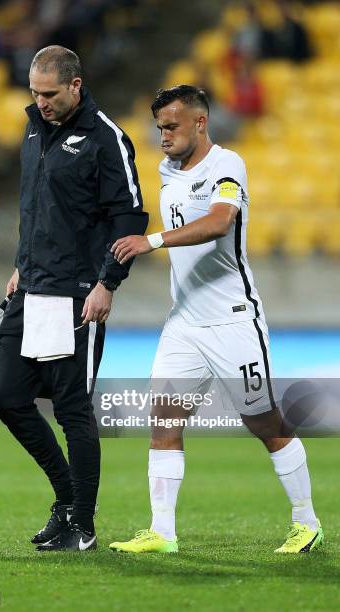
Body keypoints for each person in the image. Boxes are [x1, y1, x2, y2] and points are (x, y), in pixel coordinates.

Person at [109, 85, 323, 554]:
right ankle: (162, 533)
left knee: (265, 423)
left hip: (232, 320)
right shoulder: (168, 171)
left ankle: (306, 522)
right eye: (159, 127)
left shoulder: (227, 166)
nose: (163, 136)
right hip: (183, 322)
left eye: (172, 126)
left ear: (200, 123)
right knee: (163, 422)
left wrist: (153, 241)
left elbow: (221, 221)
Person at [0, 45, 148, 552]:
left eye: (50, 94)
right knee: (8, 398)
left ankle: (83, 523)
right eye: (34, 93)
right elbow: (37, 205)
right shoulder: (35, 125)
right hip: (32, 285)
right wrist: (21, 264)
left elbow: (128, 219)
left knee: (72, 409)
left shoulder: (107, 138)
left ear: (76, 85)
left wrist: (108, 283)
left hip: (78, 293)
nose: (41, 103)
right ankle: (66, 498)